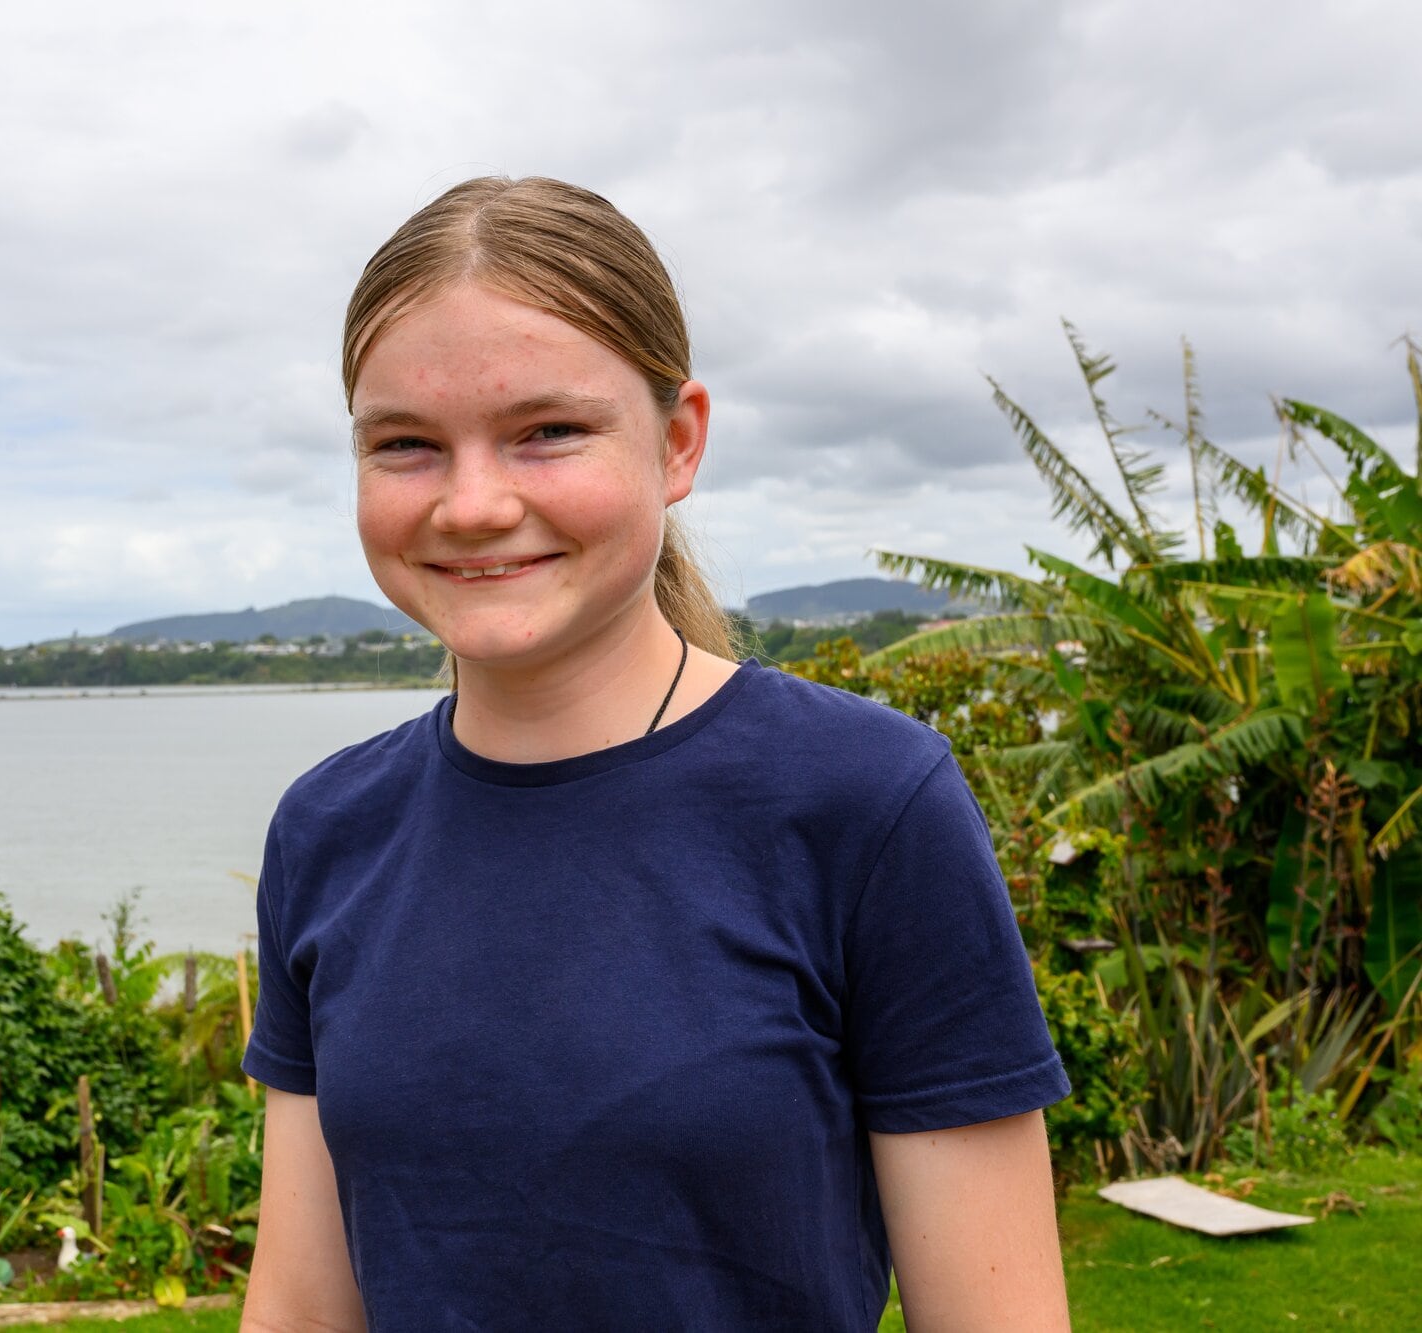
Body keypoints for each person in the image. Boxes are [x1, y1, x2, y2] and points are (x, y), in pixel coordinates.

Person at [237, 176, 1072, 1332]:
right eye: (407, 445)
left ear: (676, 443)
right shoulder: (327, 828)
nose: (472, 503)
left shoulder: (868, 803)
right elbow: (299, 1306)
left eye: (547, 432)